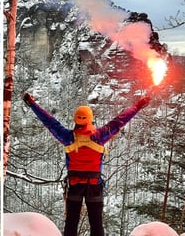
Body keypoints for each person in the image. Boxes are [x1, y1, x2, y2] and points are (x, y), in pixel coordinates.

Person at [22, 92, 151, 236]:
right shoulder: (99, 136)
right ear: (90, 119)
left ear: (76, 119)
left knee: (71, 223)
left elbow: (49, 122)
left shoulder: (68, 137)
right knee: (96, 224)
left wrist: (32, 103)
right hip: (94, 186)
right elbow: (120, 120)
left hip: (75, 186)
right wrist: (139, 105)